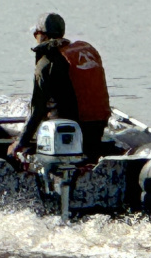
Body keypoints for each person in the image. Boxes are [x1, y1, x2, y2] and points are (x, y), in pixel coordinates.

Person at [7, 12, 110, 160]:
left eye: (36, 34)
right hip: (96, 128)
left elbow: (37, 109)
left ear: (42, 35)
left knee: (28, 143)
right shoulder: (77, 56)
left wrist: (20, 142)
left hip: (68, 132)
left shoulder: (46, 64)